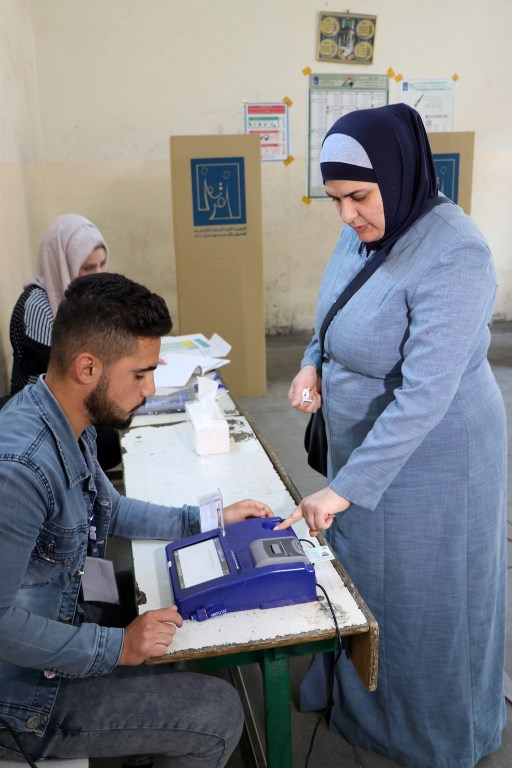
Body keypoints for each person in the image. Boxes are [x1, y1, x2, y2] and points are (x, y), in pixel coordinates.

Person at [277, 104, 507, 767]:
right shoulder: (365, 233)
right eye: (335, 199)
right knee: (368, 578)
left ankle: (432, 728)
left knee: (425, 594)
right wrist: (311, 364)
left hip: (437, 458)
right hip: (366, 450)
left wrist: (343, 489)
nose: (346, 214)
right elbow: (332, 308)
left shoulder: (456, 252)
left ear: (398, 175)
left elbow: (424, 395)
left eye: (358, 196)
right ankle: (365, 705)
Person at [0, 272, 273, 768]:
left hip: (67, 619)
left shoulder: (65, 414)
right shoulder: (20, 471)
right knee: (217, 714)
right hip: (22, 701)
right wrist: (117, 646)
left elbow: (112, 509)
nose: (150, 389)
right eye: (141, 374)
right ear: (88, 367)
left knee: (153, 614)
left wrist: (206, 520)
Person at [9, 213, 120, 470]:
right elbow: (71, 370)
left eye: (102, 265)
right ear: (62, 263)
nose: (98, 275)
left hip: (71, 406)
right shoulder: (38, 305)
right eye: (88, 268)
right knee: (111, 442)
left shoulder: (80, 299)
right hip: (39, 416)